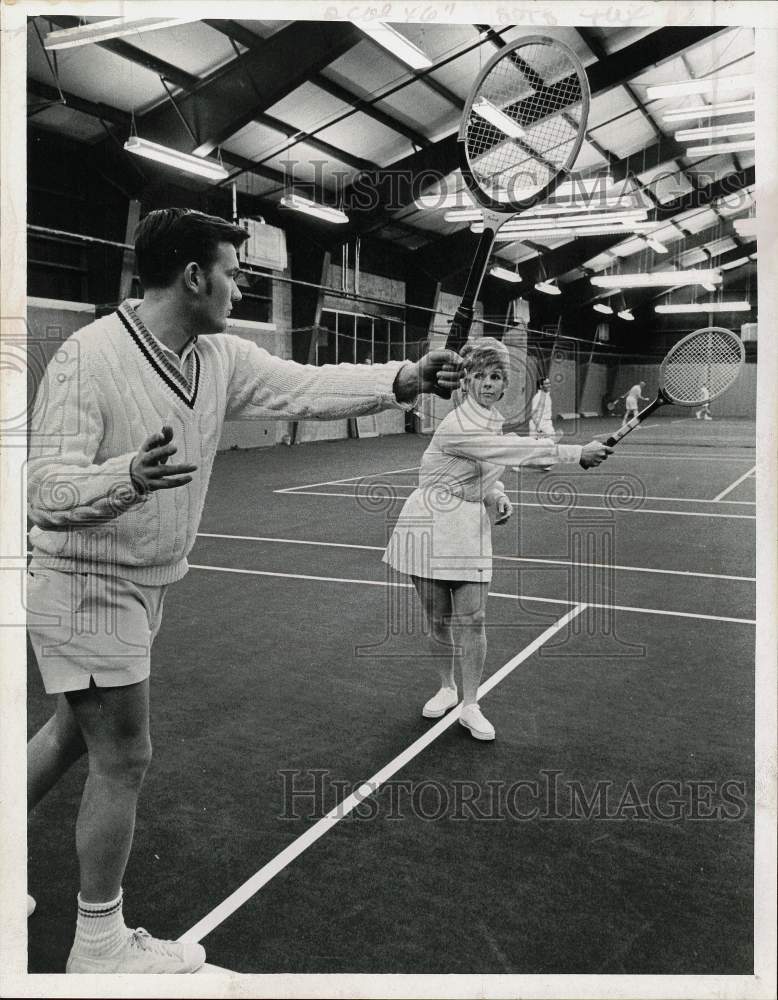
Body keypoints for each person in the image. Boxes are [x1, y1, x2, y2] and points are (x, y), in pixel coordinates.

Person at [25, 208, 465, 974]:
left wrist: (402, 377)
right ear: (193, 275)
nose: (242, 282)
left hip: (140, 583)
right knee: (125, 756)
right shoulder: (86, 356)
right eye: (233, 268)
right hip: (85, 581)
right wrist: (124, 476)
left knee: (72, 734)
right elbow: (43, 490)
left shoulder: (218, 356)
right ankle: (97, 945)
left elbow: (307, 388)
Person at [382, 338, 612, 742]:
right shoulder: (459, 423)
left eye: (496, 377)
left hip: (469, 526)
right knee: (438, 618)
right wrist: (577, 453)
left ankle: (471, 704)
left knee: (474, 619)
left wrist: (495, 494)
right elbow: (510, 450)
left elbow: (485, 467)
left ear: (504, 385)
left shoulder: (491, 421)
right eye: (481, 376)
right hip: (429, 521)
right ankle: (446, 687)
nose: (488, 383)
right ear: (466, 381)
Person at [529, 375, 555, 439]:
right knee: (537, 446)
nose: (549, 385)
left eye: (549, 383)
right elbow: (533, 413)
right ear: (541, 386)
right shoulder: (538, 397)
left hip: (546, 423)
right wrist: (537, 427)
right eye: (546, 384)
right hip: (539, 423)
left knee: (550, 442)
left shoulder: (547, 396)